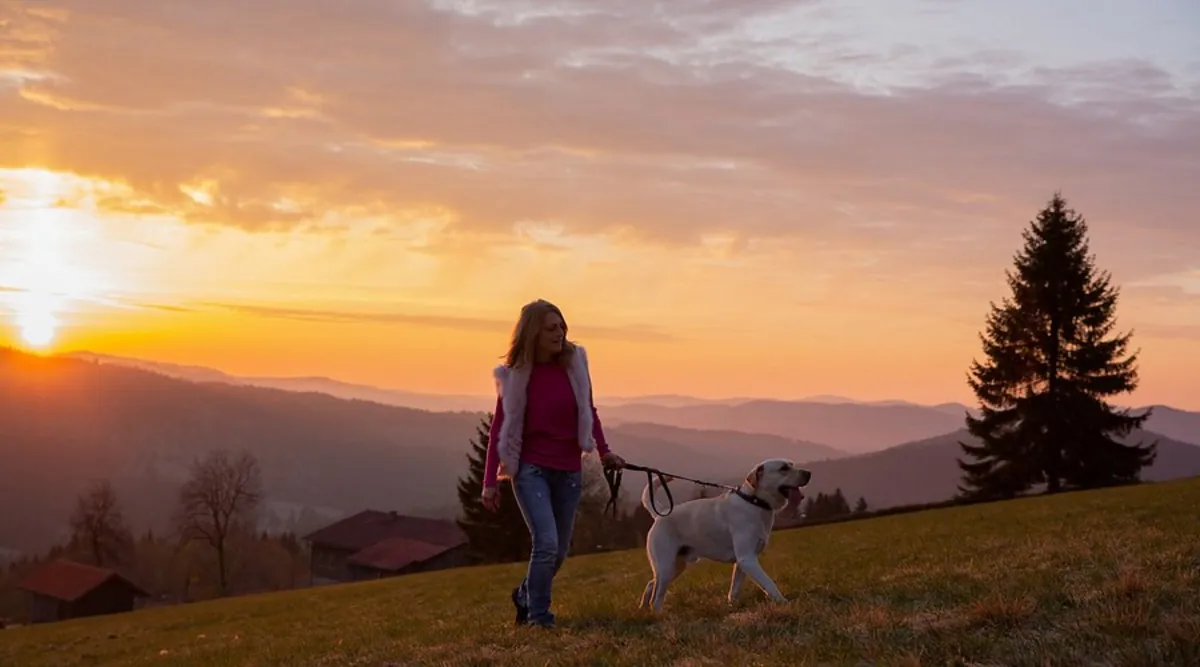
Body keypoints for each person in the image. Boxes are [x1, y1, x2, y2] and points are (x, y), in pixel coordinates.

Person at [482, 299, 625, 628]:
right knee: (545, 544)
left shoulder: (575, 366)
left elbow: (590, 412)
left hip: (569, 470)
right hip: (531, 470)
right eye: (551, 327)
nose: (559, 333)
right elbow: (499, 430)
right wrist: (490, 481)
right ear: (533, 333)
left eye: (562, 326)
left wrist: (604, 452)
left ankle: (524, 594)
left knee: (558, 552)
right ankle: (539, 619)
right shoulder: (516, 376)